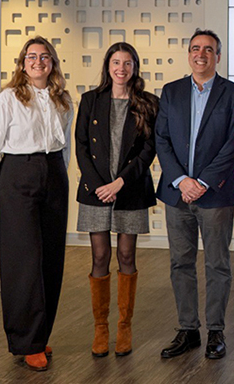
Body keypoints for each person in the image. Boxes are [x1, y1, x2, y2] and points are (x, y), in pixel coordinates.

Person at [0, 36, 73, 372]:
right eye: (31, 57)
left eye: (44, 56)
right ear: (22, 63)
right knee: (23, 261)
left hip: (53, 174)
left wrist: (61, 177)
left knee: (50, 258)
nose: (38, 61)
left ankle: (40, 334)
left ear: (53, 63)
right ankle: (26, 341)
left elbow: (65, 147)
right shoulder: (8, 99)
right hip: (17, 175)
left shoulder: (62, 99)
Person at [155, 29, 234, 360]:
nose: (201, 54)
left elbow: (233, 144)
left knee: (217, 264)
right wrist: (181, 180)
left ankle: (216, 331)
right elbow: (161, 140)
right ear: (189, 54)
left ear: (218, 56)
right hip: (177, 193)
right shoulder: (171, 91)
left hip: (215, 194)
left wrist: (203, 182)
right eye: (195, 48)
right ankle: (188, 330)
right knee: (180, 262)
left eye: (209, 49)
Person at [75, 42, 159, 357]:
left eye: (127, 63)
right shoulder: (90, 100)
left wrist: (120, 182)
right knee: (99, 257)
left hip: (131, 190)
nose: (121, 68)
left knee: (126, 255)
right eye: (115, 62)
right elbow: (81, 146)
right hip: (95, 192)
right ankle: (101, 328)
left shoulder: (148, 103)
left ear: (134, 67)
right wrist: (100, 186)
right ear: (107, 66)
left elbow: (148, 149)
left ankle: (124, 326)